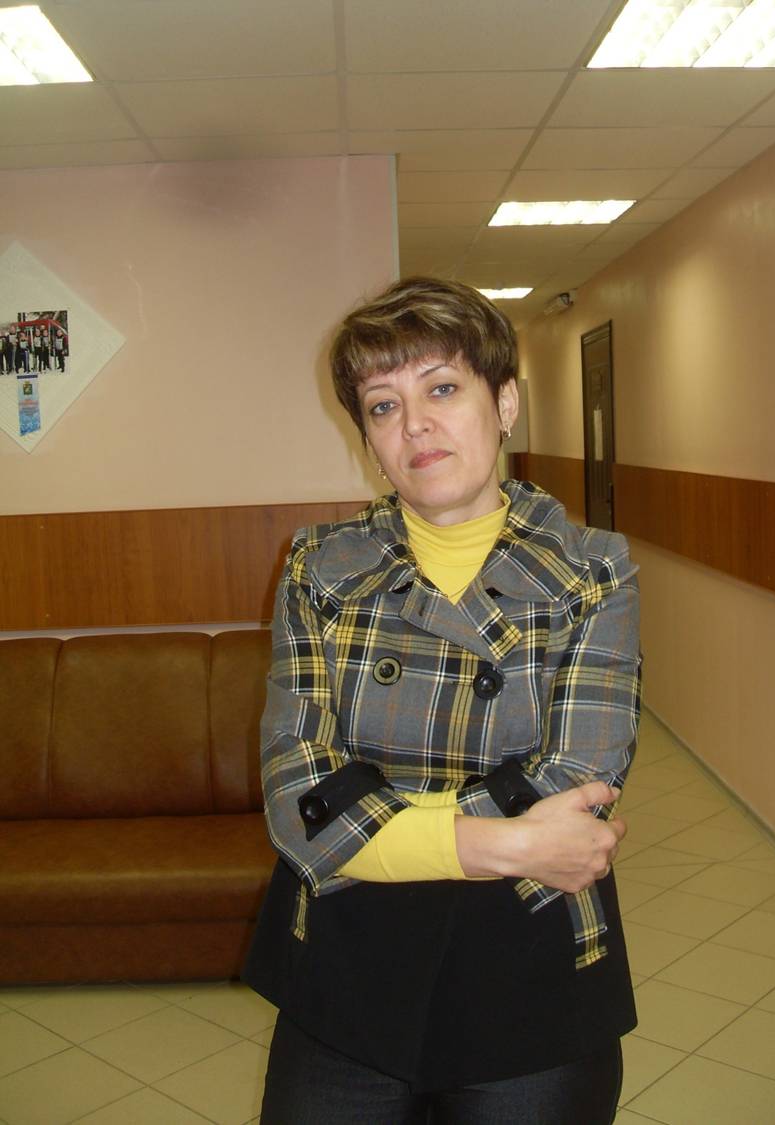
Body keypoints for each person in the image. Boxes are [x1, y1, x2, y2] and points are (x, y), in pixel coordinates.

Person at [245, 277, 641, 1124]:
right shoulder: (319, 567)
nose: (415, 424)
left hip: (527, 965)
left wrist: (374, 821)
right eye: (383, 406)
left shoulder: (594, 569)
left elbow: (578, 781)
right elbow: (296, 798)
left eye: (443, 388)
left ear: (506, 404)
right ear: (368, 440)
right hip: (350, 976)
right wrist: (509, 842)